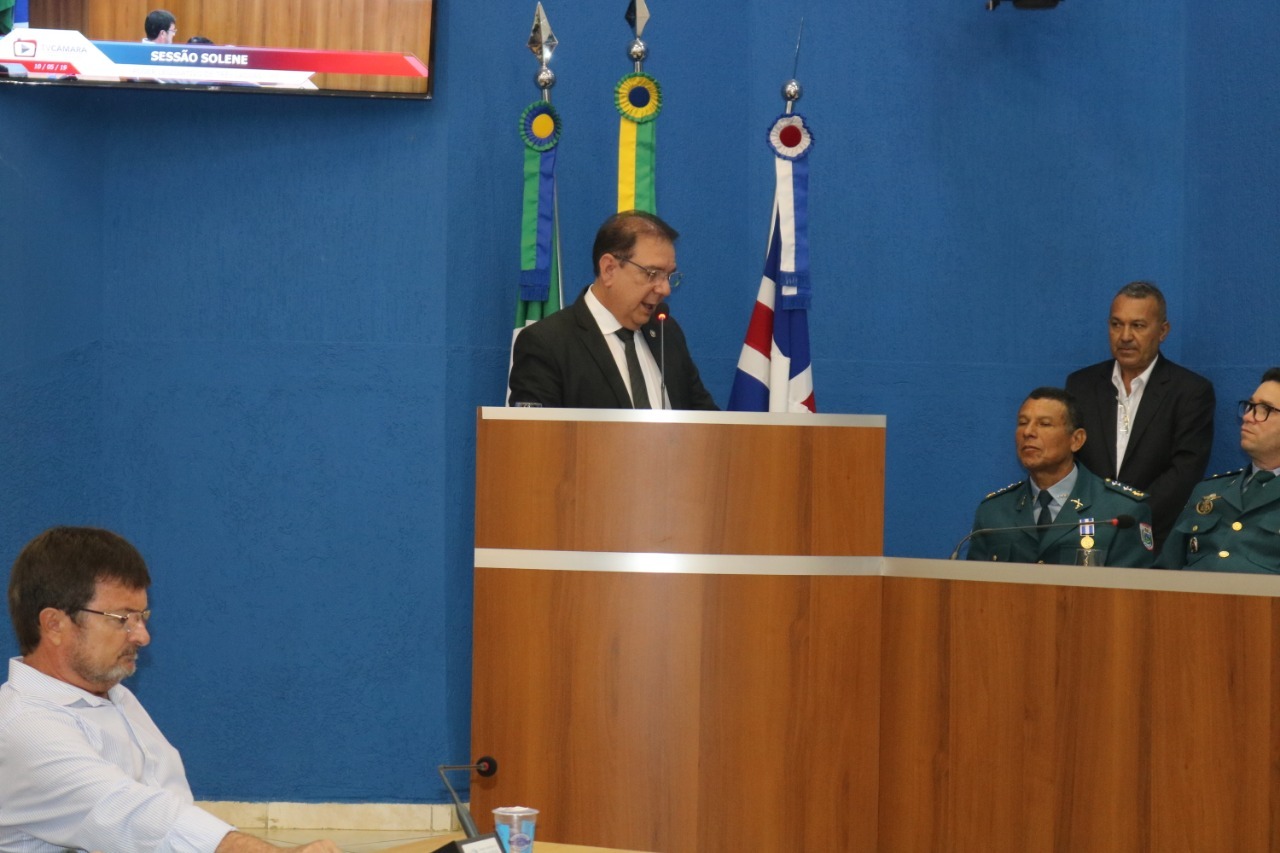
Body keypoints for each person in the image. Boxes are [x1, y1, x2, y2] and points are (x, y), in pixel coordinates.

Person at [0, 527, 341, 853]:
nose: (142, 636)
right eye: (122, 619)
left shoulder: (115, 696)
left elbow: (167, 807)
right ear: (55, 624)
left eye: (142, 616)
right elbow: (131, 814)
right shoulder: (23, 728)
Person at [508, 210, 718, 410]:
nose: (665, 289)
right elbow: (535, 439)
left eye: (669, 276)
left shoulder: (667, 333)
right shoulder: (547, 344)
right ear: (609, 269)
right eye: (653, 274)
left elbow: (709, 425)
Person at [1065, 281, 1215, 551]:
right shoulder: (1081, 385)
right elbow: (1071, 463)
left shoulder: (1190, 391)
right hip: (1086, 536)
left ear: (1163, 331)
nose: (1124, 336)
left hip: (1154, 539)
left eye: (1138, 326)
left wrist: (1127, 518)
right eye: (1116, 324)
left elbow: (1185, 472)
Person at [965, 387, 1155, 566]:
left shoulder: (1121, 512)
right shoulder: (994, 512)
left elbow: (1131, 597)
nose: (1028, 432)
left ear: (1076, 440)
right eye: (1023, 423)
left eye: (1044, 424)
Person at [1158, 369, 1280, 573]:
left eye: (1264, 409)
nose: (1248, 417)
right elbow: (1164, 572)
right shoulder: (1208, 492)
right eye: (1250, 407)